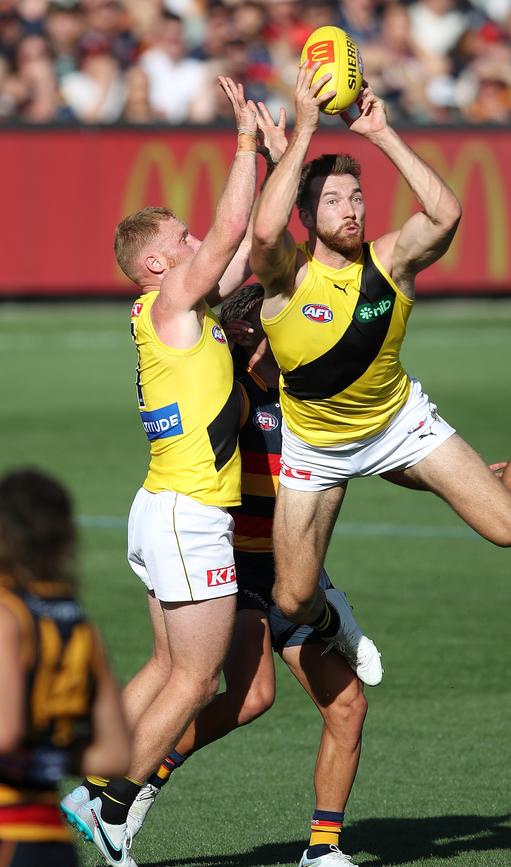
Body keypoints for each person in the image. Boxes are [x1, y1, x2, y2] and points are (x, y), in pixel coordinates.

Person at [250, 63, 511, 658]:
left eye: (357, 197)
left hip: (400, 427)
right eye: (333, 201)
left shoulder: (389, 262)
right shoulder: (287, 278)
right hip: (314, 449)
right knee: (293, 600)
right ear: (307, 219)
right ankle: (334, 619)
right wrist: (306, 132)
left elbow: (445, 215)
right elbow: (264, 233)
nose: (351, 209)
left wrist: (382, 133)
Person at [60, 77, 268, 867]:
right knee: (195, 679)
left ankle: (85, 788)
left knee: (165, 667)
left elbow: (243, 244)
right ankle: (114, 813)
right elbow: (227, 236)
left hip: (163, 507)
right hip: (189, 512)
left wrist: (284, 155)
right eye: (180, 240)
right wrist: (245, 144)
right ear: (155, 263)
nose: (194, 245)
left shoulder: (180, 308)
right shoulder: (174, 300)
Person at [111, 283, 374, 867]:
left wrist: (455, 471)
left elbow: (366, 445)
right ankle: (138, 780)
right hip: (237, 564)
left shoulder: (310, 391)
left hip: (297, 567)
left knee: (348, 705)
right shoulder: (223, 392)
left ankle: (323, 850)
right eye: (274, 326)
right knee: (250, 696)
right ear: (247, 338)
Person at [0, 468, 130, 867]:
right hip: (53, 846)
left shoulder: (7, 617)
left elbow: (6, 734)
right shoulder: (80, 626)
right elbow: (115, 754)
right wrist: (49, 758)